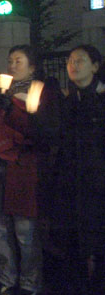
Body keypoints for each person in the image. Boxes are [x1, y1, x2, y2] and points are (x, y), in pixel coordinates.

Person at [0, 45, 59, 295]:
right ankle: (6, 279)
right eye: (10, 61)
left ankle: (30, 283)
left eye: (18, 61)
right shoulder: (2, 92)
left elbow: (39, 133)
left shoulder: (40, 92)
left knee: (25, 232)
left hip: (22, 168)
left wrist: (14, 110)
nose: (12, 66)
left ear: (32, 66)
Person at [58, 45, 105, 294]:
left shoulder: (100, 98)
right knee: (73, 242)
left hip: (97, 184)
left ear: (95, 66)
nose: (73, 65)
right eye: (70, 60)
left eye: (81, 60)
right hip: (71, 183)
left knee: (97, 241)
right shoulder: (67, 100)